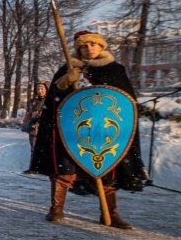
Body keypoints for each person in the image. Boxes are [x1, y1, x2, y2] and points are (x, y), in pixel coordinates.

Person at [28, 30, 144, 229]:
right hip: (74, 131)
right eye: (84, 45)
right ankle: (56, 209)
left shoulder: (115, 69)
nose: (89, 48)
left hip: (103, 131)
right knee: (64, 170)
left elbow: (126, 102)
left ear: (101, 46)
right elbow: (55, 102)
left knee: (106, 170)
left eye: (93, 44)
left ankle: (110, 214)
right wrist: (64, 82)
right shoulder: (68, 68)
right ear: (78, 49)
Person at [21, 81, 49, 172]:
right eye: (38, 89)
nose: (39, 91)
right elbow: (28, 114)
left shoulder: (49, 101)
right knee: (34, 149)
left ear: (46, 89)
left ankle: (46, 168)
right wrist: (25, 124)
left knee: (46, 149)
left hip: (45, 128)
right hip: (33, 129)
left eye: (42, 89)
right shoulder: (33, 102)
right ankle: (33, 168)